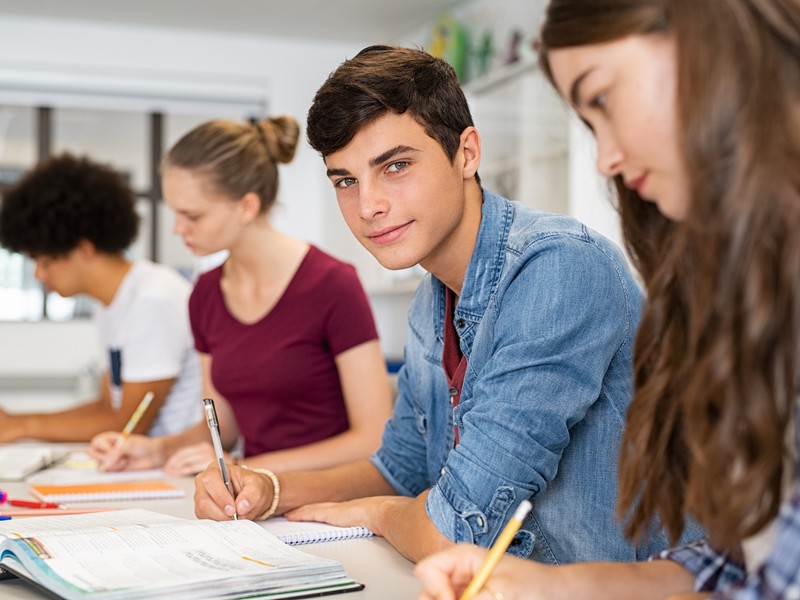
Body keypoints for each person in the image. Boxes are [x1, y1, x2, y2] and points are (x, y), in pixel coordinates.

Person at [192, 45, 699, 564]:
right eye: (346, 180)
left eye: (395, 166)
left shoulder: (559, 269)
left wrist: (381, 513)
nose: (368, 206)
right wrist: (268, 488)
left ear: (467, 153)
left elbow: (456, 531)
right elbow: (400, 469)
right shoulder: (430, 302)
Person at [414, 0, 800, 598]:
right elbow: (752, 558)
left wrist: (378, 514)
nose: (606, 159)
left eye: (602, 101)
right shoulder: (753, 283)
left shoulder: (558, 266)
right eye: (589, 124)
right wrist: (554, 587)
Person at [89, 115, 393, 476]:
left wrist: (246, 466)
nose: (178, 228)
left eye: (192, 215)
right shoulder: (204, 294)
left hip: (330, 498)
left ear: (246, 207)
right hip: (251, 497)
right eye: (175, 212)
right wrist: (156, 450)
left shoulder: (333, 284)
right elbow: (223, 429)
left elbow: (372, 438)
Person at [0, 153, 202, 442]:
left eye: (44, 261)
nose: (38, 275)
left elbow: (129, 423)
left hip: (175, 469)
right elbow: (108, 408)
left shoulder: (153, 298)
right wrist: (16, 421)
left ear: (84, 249)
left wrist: (23, 427)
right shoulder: (110, 305)